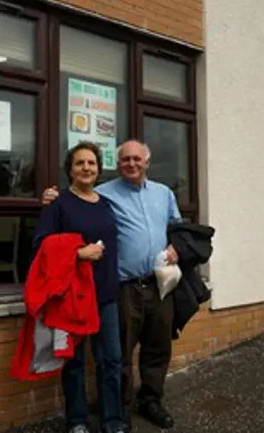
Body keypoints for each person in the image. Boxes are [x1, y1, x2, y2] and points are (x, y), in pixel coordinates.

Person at [43, 140, 180, 431]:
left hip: (148, 285)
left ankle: (143, 406)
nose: (131, 164)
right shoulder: (99, 195)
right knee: (101, 358)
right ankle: (108, 416)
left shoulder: (161, 194)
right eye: (125, 159)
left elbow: (178, 229)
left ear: (147, 161)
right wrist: (50, 197)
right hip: (110, 289)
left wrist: (176, 247)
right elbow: (48, 239)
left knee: (147, 351)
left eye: (136, 159)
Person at [33, 142, 124, 433]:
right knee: (74, 363)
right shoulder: (59, 204)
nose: (86, 168)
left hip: (106, 295)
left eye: (92, 163)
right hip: (71, 297)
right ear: (70, 170)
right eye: (80, 163)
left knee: (111, 360)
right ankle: (78, 422)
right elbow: (41, 246)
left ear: (98, 169)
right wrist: (77, 254)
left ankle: (112, 422)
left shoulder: (106, 203)